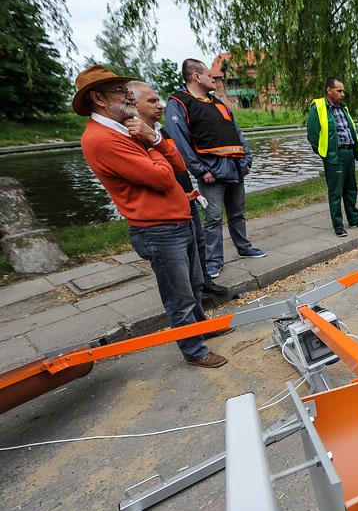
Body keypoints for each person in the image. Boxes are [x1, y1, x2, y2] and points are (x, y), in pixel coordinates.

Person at [74, 65, 228, 368]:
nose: (128, 95)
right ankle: (194, 350)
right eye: (120, 91)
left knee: (194, 284)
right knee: (178, 295)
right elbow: (162, 177)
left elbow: (180, 167)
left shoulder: (131, 130)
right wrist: (152, 143)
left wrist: (153, 139)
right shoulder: (102, 139)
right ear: (98, 99)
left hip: (177, 219)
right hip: (157, 228)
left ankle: (201, 329)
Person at [165, 59, 266, 280]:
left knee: (237, 212)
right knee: (212, 218)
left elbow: (236, 132)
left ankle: (244, 247)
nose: (214, 79)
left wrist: (246, 160)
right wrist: (200, 170)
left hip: (235, 168)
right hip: (211, 172)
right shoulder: (179, 103)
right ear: (196, 77)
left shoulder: (219, 103)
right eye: (209, 76)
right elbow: (179, 141)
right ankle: (213, 262)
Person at [127, 80, 229, 299]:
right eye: (152, 101)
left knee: (198, 245)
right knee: (182, 259)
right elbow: (159, 173)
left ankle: (204, 285)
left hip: (186, 199)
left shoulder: (159, 131)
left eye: (158, 100)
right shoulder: (136, 138)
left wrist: (192, 192)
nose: (160, 105)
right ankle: (194, 296)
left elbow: (179, 165)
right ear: (134, 105)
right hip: (168, 211)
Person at [306, 77, 358, 237]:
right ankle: (338, 225)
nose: (343, 94)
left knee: (351, 189)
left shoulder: (343, 108)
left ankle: (354, 219)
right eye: (339, 91)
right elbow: (312, 135)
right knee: (335, 192)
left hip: (348, 152)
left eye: (343, 90)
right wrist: (325, 154)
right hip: (334, 155)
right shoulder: (319, 107)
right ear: (329, 90)